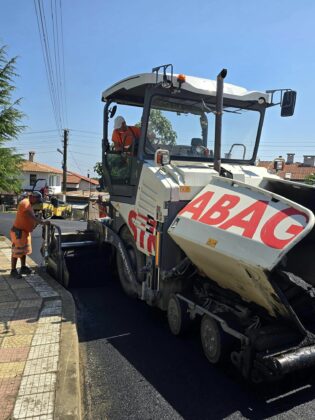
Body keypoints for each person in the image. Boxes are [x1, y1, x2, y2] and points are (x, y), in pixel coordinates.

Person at [10, 191, 50, 278]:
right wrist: (40, 221)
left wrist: (36, 222)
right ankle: (13, 271)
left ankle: (23, 267)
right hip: (19, 232)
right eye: (37, 200)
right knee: (17, 251)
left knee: (23, 251)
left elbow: (29, 217)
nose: (37, 202)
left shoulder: (29, 205)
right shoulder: (25, 202)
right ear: (32, 197)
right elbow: (29, 215)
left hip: (24, 232)